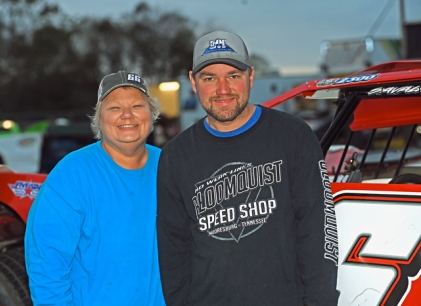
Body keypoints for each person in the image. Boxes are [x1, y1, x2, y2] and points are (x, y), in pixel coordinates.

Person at [156, 30, 340, 305]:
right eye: (209, 78)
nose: (222, 89)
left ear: (251, 77)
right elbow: (173, 251)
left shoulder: (293, 136)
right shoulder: (174, 155)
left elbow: (318, 232)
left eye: (233, 76)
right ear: (194, 82)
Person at [25, 71, 165, 305]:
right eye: (114, 108)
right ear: (99, 119)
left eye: (137, 105)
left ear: (151, 114)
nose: (127, 115)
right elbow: (47, 265)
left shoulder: (169, 166)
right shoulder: (71, 174)